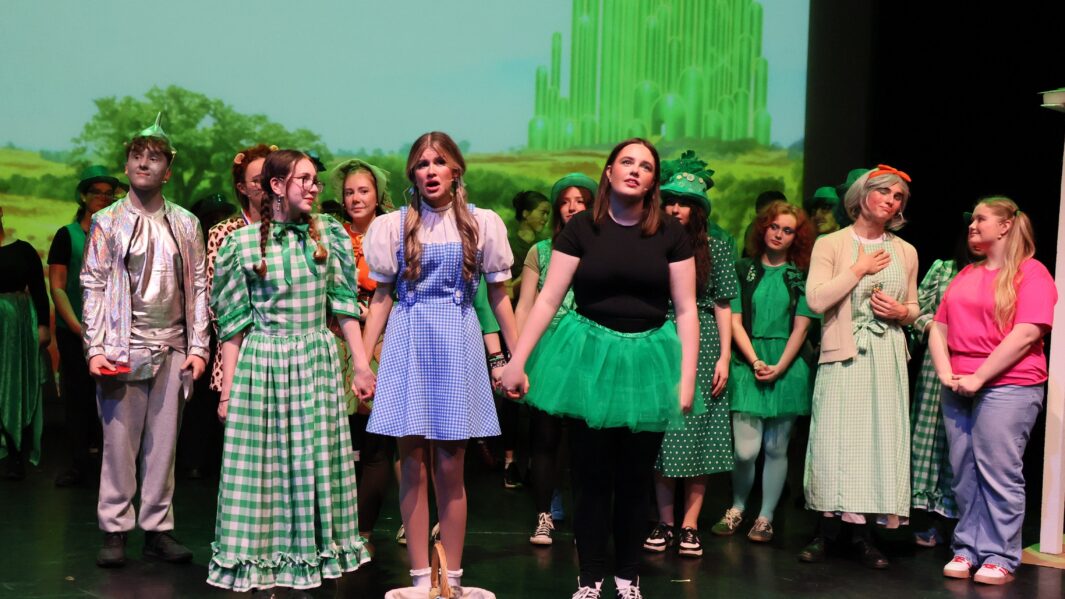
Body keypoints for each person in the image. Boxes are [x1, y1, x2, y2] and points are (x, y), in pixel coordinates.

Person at [502, 138, 700, 599]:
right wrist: (518, 361)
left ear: (653, 179)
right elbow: (548, 299)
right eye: (626, 162)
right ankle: (590, 576)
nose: (634, 170)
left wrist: (686, 378)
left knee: (634, 480)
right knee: (590, 478)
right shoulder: (581, 230)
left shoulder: (670, 234)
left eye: (645, 165)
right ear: (608, 172)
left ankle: (627, 576)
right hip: (589, 356)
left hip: (649, 358)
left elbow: (687, 310)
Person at [207, 149, 374, 592]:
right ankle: (264, 564)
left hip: (315, 363)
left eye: (315, 179)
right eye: (304, 179)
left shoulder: (330, 235)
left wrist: (360, 365)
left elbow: (343, 307)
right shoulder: (242, 244)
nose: (315, 187)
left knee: (313, 461)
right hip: (264, 365)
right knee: (264, 467)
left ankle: (311, 558)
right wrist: (227, 392)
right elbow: (234, 326)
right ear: (276, 187)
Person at [362, 132, 518, 592]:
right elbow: (382, 297)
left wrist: (516, 358)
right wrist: (365, 361)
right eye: (422, 163)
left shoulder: (480, 223)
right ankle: (417, 579)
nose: (430, 170)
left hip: (456, 340)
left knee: (451, 466)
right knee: (412, 464)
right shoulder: (394, 226)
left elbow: (499, 296)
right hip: (409, 340)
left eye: (439, 162)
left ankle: (450, 578)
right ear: (413, 172)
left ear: (456, 170)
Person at [81, 114, 210, 567]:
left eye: (153, 157)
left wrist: (198, 348)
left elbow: (197, 286)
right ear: (127, 163)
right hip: (123, 346)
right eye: (137, 155)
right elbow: (93, 285)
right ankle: (115, 529)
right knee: (119, 444)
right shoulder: (107, 222)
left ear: (167, 170)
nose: (143, 164)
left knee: (163, 445)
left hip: (172, 345)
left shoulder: (186, 223)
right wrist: (95, 347)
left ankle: (157, 529)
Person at [929, 197, 1055, 586]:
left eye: (980, 218)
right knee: (964, 472)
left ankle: (1000, 554)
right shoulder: (966, 274)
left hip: (1009, 385)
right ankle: (967, 548)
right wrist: (947, 372)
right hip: (960, 381)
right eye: (971, 220)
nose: (972, 225)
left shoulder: (1032, 274)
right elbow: (938, 326)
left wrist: (980, 376)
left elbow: (1027, 333)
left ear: (1004, 226)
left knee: (998, 472)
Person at [799, 165, 918, 569]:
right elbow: (815, 300)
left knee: (877, 442)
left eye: (898, 196)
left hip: (886, 355)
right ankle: (826, 531)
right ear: (861, 196)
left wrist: (903, 311)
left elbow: (915, 308)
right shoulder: (831, 244)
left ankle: (864, 535)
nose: (891, 201)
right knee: (835, 440)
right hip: (843, 352)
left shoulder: (905, 251)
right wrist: (858, 269)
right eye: (884, 192)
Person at [644, 152, 738, 559]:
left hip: (703, 344)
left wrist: (725, 357)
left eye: (685, 202)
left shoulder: (715, 246)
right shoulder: (648, 241)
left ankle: (689, 525)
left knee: (698, 434)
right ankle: (664, 521)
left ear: (698, 209)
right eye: (670, 200)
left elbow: (722, 304)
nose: (676, 208)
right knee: (664, 435)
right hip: (659, 337)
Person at [710, 201, 816, 543]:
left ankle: (766, 515)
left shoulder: (802, 274)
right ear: (763, 228)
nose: (779, 235)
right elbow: (734, 321)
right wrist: (755, 360)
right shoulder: (743, 269)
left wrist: (780, 365)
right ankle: (738, 505)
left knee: (776, 448)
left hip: (787, 364)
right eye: (774, 227)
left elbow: (802, 328)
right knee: (745, 450)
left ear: (796, 237)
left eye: (788, 230)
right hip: (747, 361)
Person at [513, 171, 597, 545]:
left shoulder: (603, 247)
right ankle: (544, 514)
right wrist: (517, 355)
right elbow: (525, 304)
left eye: (580, 201)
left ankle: (586, 517)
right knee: (544, 435)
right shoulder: (541, 251)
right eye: (565, 201)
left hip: (593, 349)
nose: (572, 207)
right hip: (549, 350)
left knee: (585, 439)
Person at [331, 157, 396, 547]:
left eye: (364, 191)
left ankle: (363, 530)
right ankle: (334, 528)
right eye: (350, 192)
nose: (356, 198)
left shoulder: (392, 234)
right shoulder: (331, 235)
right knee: (337, 442)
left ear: (378, 195)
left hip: (384, 341)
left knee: (375, 442)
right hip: (335, 342)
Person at [908, 218, 980, 547]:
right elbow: (916, 312)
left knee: (963, 441)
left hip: (975, 366)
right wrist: (934, 330)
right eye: (970, 231)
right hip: (936, 366)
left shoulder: (998, 274)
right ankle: (923, 517)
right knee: (928, 437)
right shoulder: (944, 269)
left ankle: (953, 519)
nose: (975, 237)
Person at [50, 166, 123, 486]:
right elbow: (58, 285)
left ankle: (111, 468)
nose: (103, 198)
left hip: (114, 333)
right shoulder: (68, 235)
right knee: (78, 398)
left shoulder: (121, 232)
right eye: (97, 192)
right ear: (84, 196)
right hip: (75, 331)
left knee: (113, 401)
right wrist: (78, 326)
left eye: (109, 193)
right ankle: (79, 463)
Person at [0, 204, 50, 481]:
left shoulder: (23, 250)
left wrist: (43, 325)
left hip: (16, 327)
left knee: (14, 386)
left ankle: (16, 452)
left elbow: (39, 290)